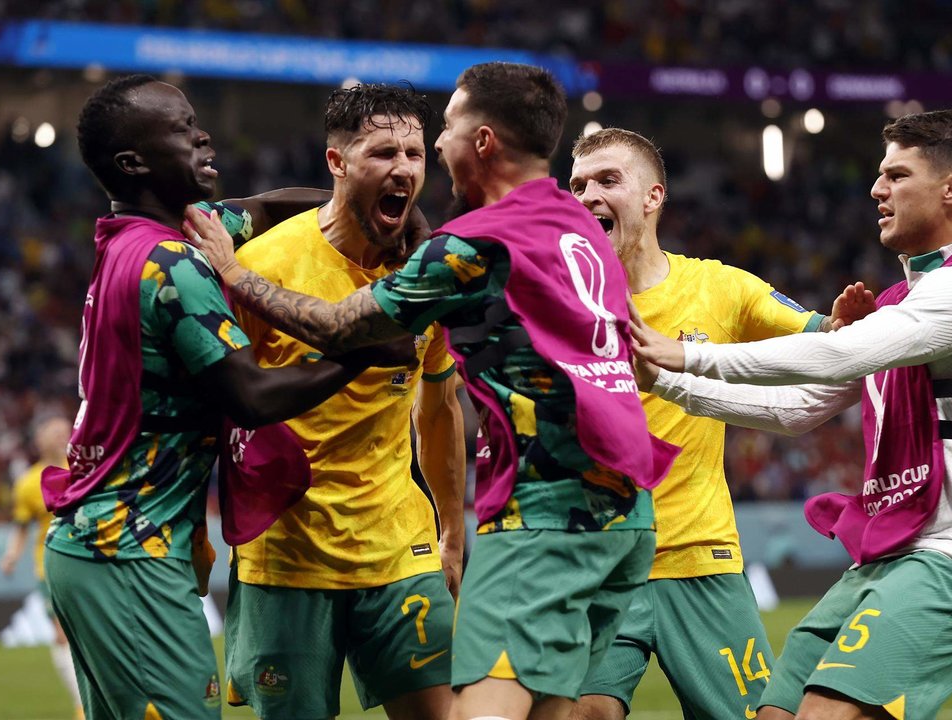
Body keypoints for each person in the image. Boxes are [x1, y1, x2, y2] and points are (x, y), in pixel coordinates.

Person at [187, 61, 677, 720]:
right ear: (337, 161)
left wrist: (226, 267)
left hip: (532, 516)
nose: (422, 160)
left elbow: (356, 340)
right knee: (552, 709)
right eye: (385, 152)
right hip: (623, 510)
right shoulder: (577, 224)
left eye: (431, 139)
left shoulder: (461, 248)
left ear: (480, 144)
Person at [631, 109, 952, 720]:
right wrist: (667, 382)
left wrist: (685, 351)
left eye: (897, 174)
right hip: (890, 556)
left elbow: (835, 354)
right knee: (774, 714)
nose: (876, 189)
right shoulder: (903, 305)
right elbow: (797, 409)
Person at [45, 74, 413, 720]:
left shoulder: (146, 238)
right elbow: (252, 394)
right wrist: (360, 353)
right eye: (183, 128)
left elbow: (269, 206)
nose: (203, 133)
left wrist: (377, 210)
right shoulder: (173, 263)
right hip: (130, 548)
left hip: (104, 543)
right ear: (134, 162)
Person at [565, 127, 872, 720]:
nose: (587, 196)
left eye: (607, 180)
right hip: (597, 561)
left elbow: (820, 339)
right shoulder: (552, 300)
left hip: (697, 555)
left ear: (653, 197)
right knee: (583, 713)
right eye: (576, 185)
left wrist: (838, 326)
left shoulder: (719, 287)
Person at [222, 83, 465, 720]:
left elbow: (438, 410)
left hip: (398, 544)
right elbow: (219, 407)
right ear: (337, 164)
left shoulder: (425, 275)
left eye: (415, 153)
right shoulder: (263, 266)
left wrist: (452, 529)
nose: (405, 168)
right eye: (384, 152)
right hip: (286, 553)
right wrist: (198, 527)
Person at [0, 416, 84, 720]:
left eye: (66, 431)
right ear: (40, 440)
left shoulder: (85, 469)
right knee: (62, 636)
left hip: (89, 563)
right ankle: (81, 703)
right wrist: (11, 555)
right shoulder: (27, 483)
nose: (61, 436)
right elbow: (22, 527)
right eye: (54, 433)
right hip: (48, 568)